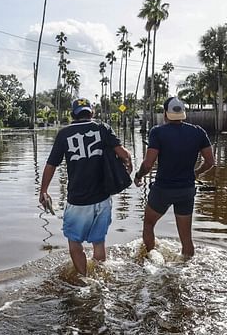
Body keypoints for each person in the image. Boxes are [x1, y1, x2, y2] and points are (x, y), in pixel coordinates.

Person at [39, 98, 133, 275]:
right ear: (92, 112)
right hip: (103, 197)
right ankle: (99, 278)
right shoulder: (102, 128)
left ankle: (84, 280)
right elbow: (124, 155)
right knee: (99, 243)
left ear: (73, 114)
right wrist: (129, 166)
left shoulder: (64, 134)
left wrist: (43, 190)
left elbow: (51, 165)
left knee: (75, 243)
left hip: (78, 200)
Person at [133, 97, 215, 257]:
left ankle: (151, 260)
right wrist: (196, 173)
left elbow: (148, 164)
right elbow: (210, 161)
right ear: (183, 113)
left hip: (163, 189)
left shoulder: (157, 132)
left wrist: (138, 176)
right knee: (186, 239)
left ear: (165, 114)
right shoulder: (198, 132)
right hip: (186, 191)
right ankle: (187, 265)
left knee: (149, 224)